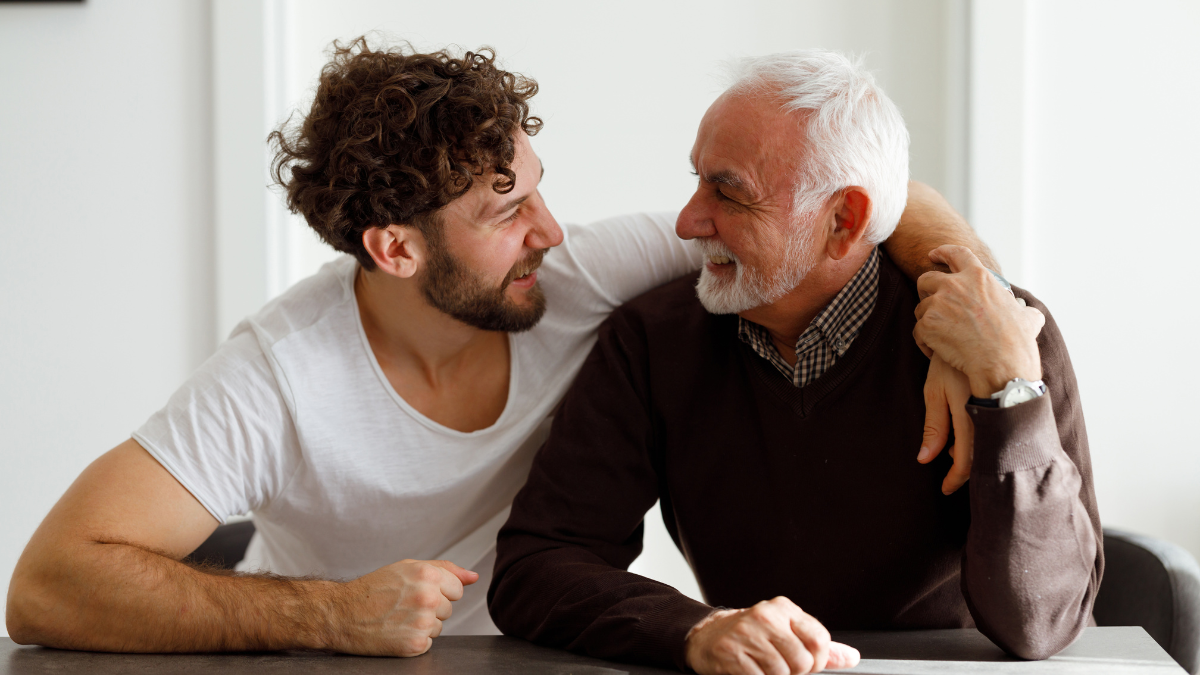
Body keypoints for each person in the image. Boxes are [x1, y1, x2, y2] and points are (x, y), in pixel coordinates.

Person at [6, 40, 994, 657]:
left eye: (537, 186)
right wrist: (327, 615)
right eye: (505, 209)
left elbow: (862, 204)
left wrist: (965, 312)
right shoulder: (279, 375)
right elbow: (46, 582)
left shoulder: (577, 274)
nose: (550, 231)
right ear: (396, 250)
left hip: (543, 653)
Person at [488, 50, 1101, 674]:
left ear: (844, 221)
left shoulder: (1003, 338)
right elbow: (536, 566)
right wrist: (695, 629)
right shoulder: (653, 342)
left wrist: (1009, 392)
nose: (687, 222)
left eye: (728, 193)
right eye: (697, 180)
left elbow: (1040, 625)